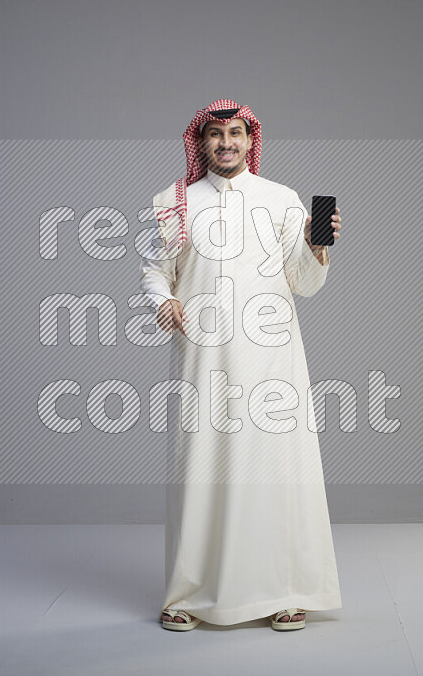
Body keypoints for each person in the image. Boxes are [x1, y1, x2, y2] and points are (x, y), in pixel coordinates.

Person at [139, 99, 342, 631]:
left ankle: (283, 592)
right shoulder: (172, 202)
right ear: (200, 143)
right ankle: (187, 595)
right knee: (200, 468)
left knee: (275, 469)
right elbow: (155, 270)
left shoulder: (282, 199)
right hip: (202, 356)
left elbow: (305, 282)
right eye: (215, 135)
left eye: (235, 134)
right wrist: (163, 300)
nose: (226, 143)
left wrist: (318, 246)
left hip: (271, 358)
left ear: (251, 140)